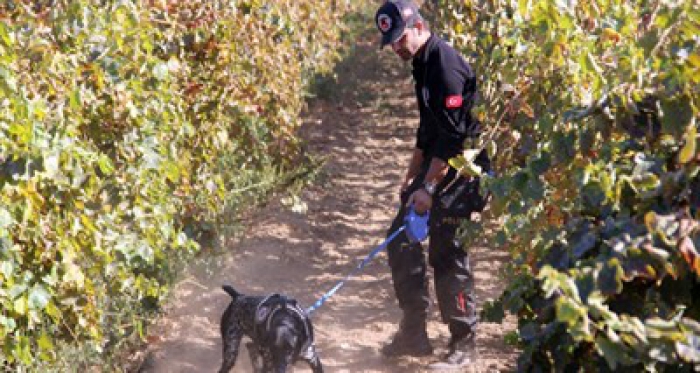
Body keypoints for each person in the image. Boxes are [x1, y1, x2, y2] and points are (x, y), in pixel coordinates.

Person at [374, 0, 490, 369]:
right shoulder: (422, 65)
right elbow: (428, 131)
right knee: (401, 238)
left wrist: (430, 189)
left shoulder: (446, 65)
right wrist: (411, 178)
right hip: (439, 163)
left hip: (464, 170)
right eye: (390, 41)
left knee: (447, 251)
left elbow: (453, 139)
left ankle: (464, 342)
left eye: (399, 38)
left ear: (419, 27)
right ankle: (413, 333)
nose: (395, 47)